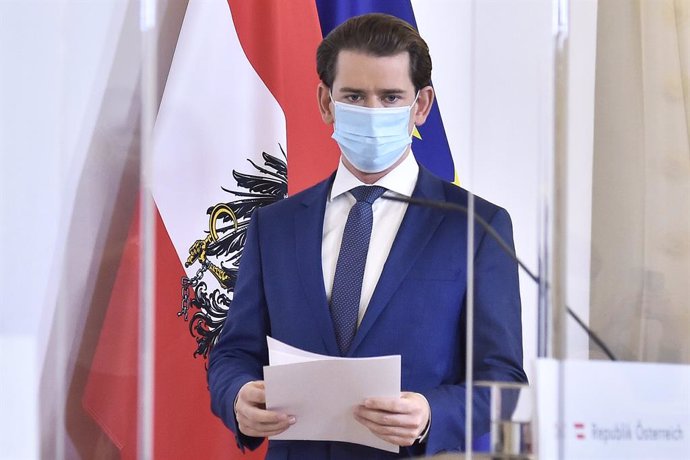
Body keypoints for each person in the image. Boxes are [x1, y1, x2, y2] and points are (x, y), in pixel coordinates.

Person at [208, 13, 527, 459]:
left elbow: (505, 383)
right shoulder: (274, 227)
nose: (372, 112)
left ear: (421, 105)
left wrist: (433, 413)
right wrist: (238, 396)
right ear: (326, 102)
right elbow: (233, 354)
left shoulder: (476, 227)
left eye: (391, 96)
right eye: (354, 96)